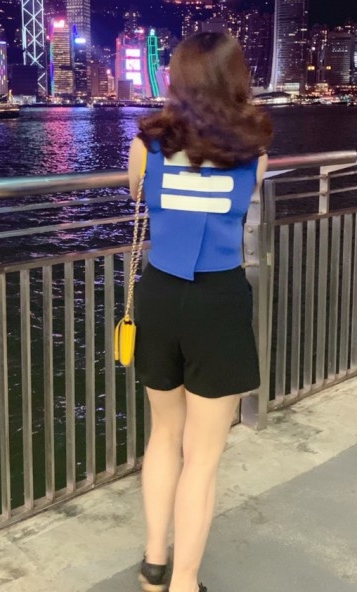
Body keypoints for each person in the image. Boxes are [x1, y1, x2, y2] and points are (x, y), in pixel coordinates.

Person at [127, 32, 272, 592]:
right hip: (218, 299)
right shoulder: (254, 149)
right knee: (203, 456)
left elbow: (138, 193)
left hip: (161, 294)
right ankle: (185, 582)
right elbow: (242, 199)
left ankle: (154, 565)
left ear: (178, 79)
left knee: (164, 434)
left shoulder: (147, 144)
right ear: (236, 78)